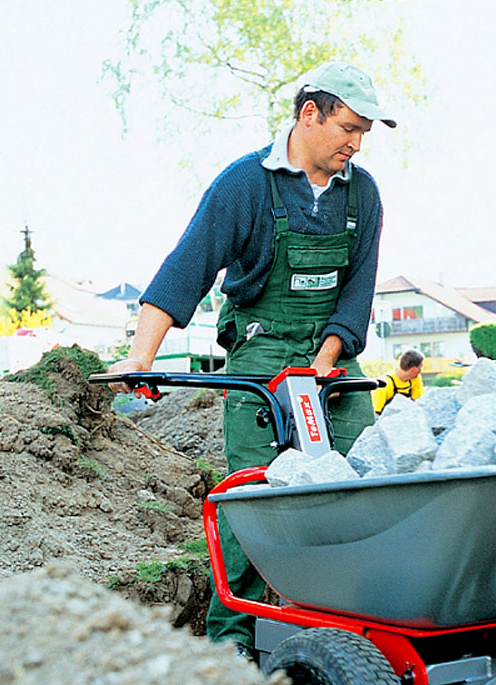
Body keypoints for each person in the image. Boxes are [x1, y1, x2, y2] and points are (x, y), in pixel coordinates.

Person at [107, 61, 395, 654]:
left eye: (365, 131)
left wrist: (329, 356)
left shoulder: (362, 193)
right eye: (349, 126)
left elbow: (358, 289)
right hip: (261, 347)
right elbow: (185, 270)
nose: (357, 143)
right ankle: (232, 640)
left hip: (331, 355)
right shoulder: (245, 184)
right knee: (251, 493)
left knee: (364, 479)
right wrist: (139, 360)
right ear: (308, 114)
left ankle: (359, 626)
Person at [372, 349, 424, 413]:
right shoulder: (384, 385)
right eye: (420, 367)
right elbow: (376, 413)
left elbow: (417, 403)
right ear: (413, 369)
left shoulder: (415, 379)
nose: (421, 371)